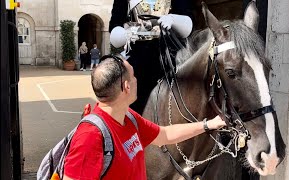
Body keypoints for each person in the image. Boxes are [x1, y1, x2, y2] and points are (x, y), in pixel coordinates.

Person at [63, 55, 226, 180]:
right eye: (133, 76)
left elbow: (164, 135)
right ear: (126, 87)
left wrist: (208, 125)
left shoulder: (128, 117)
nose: (136, 80)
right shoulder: (90, 137)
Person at [109, 0, 194, 114]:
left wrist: (174, 19)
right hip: (139, 57)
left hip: (170, 55)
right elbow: (115, 27)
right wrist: (127, 33)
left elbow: (188, 23)